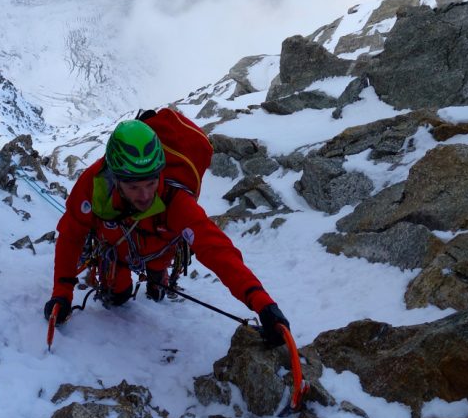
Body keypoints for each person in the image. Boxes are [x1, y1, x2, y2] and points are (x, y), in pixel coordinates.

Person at [43, 118, 290, 345]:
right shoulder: (93, 185)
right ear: (115, 178)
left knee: (157, 275)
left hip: (159, 248)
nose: (145, 195)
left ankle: (157, 278)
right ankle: (133, 282)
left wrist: (261, 303)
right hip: (117, 251)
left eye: (151, 183)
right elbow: (71, 236)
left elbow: (215, 247)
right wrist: (62, 293)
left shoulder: (175, 199)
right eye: (134, 187)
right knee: (117, 297)